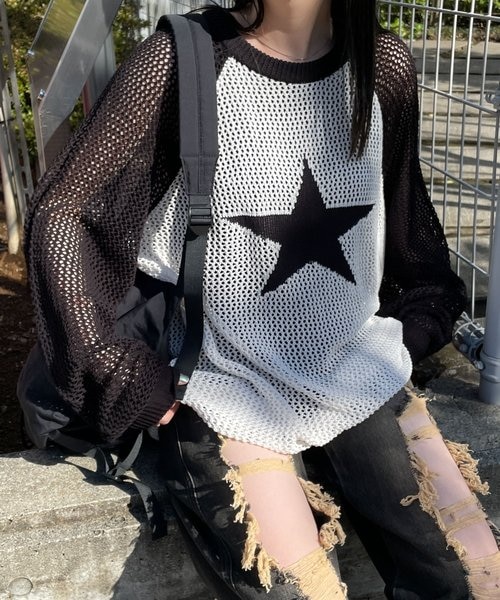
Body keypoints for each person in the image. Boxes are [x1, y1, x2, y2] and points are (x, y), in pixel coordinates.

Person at [24, 0, 500, 598]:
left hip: (355, 365)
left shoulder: (381, 65)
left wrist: (415, 328)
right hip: (220, 379)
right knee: (299, 587)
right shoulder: (183, 60)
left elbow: (408, 218)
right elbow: (65, 214)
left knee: (475, 574)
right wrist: (116, 369)